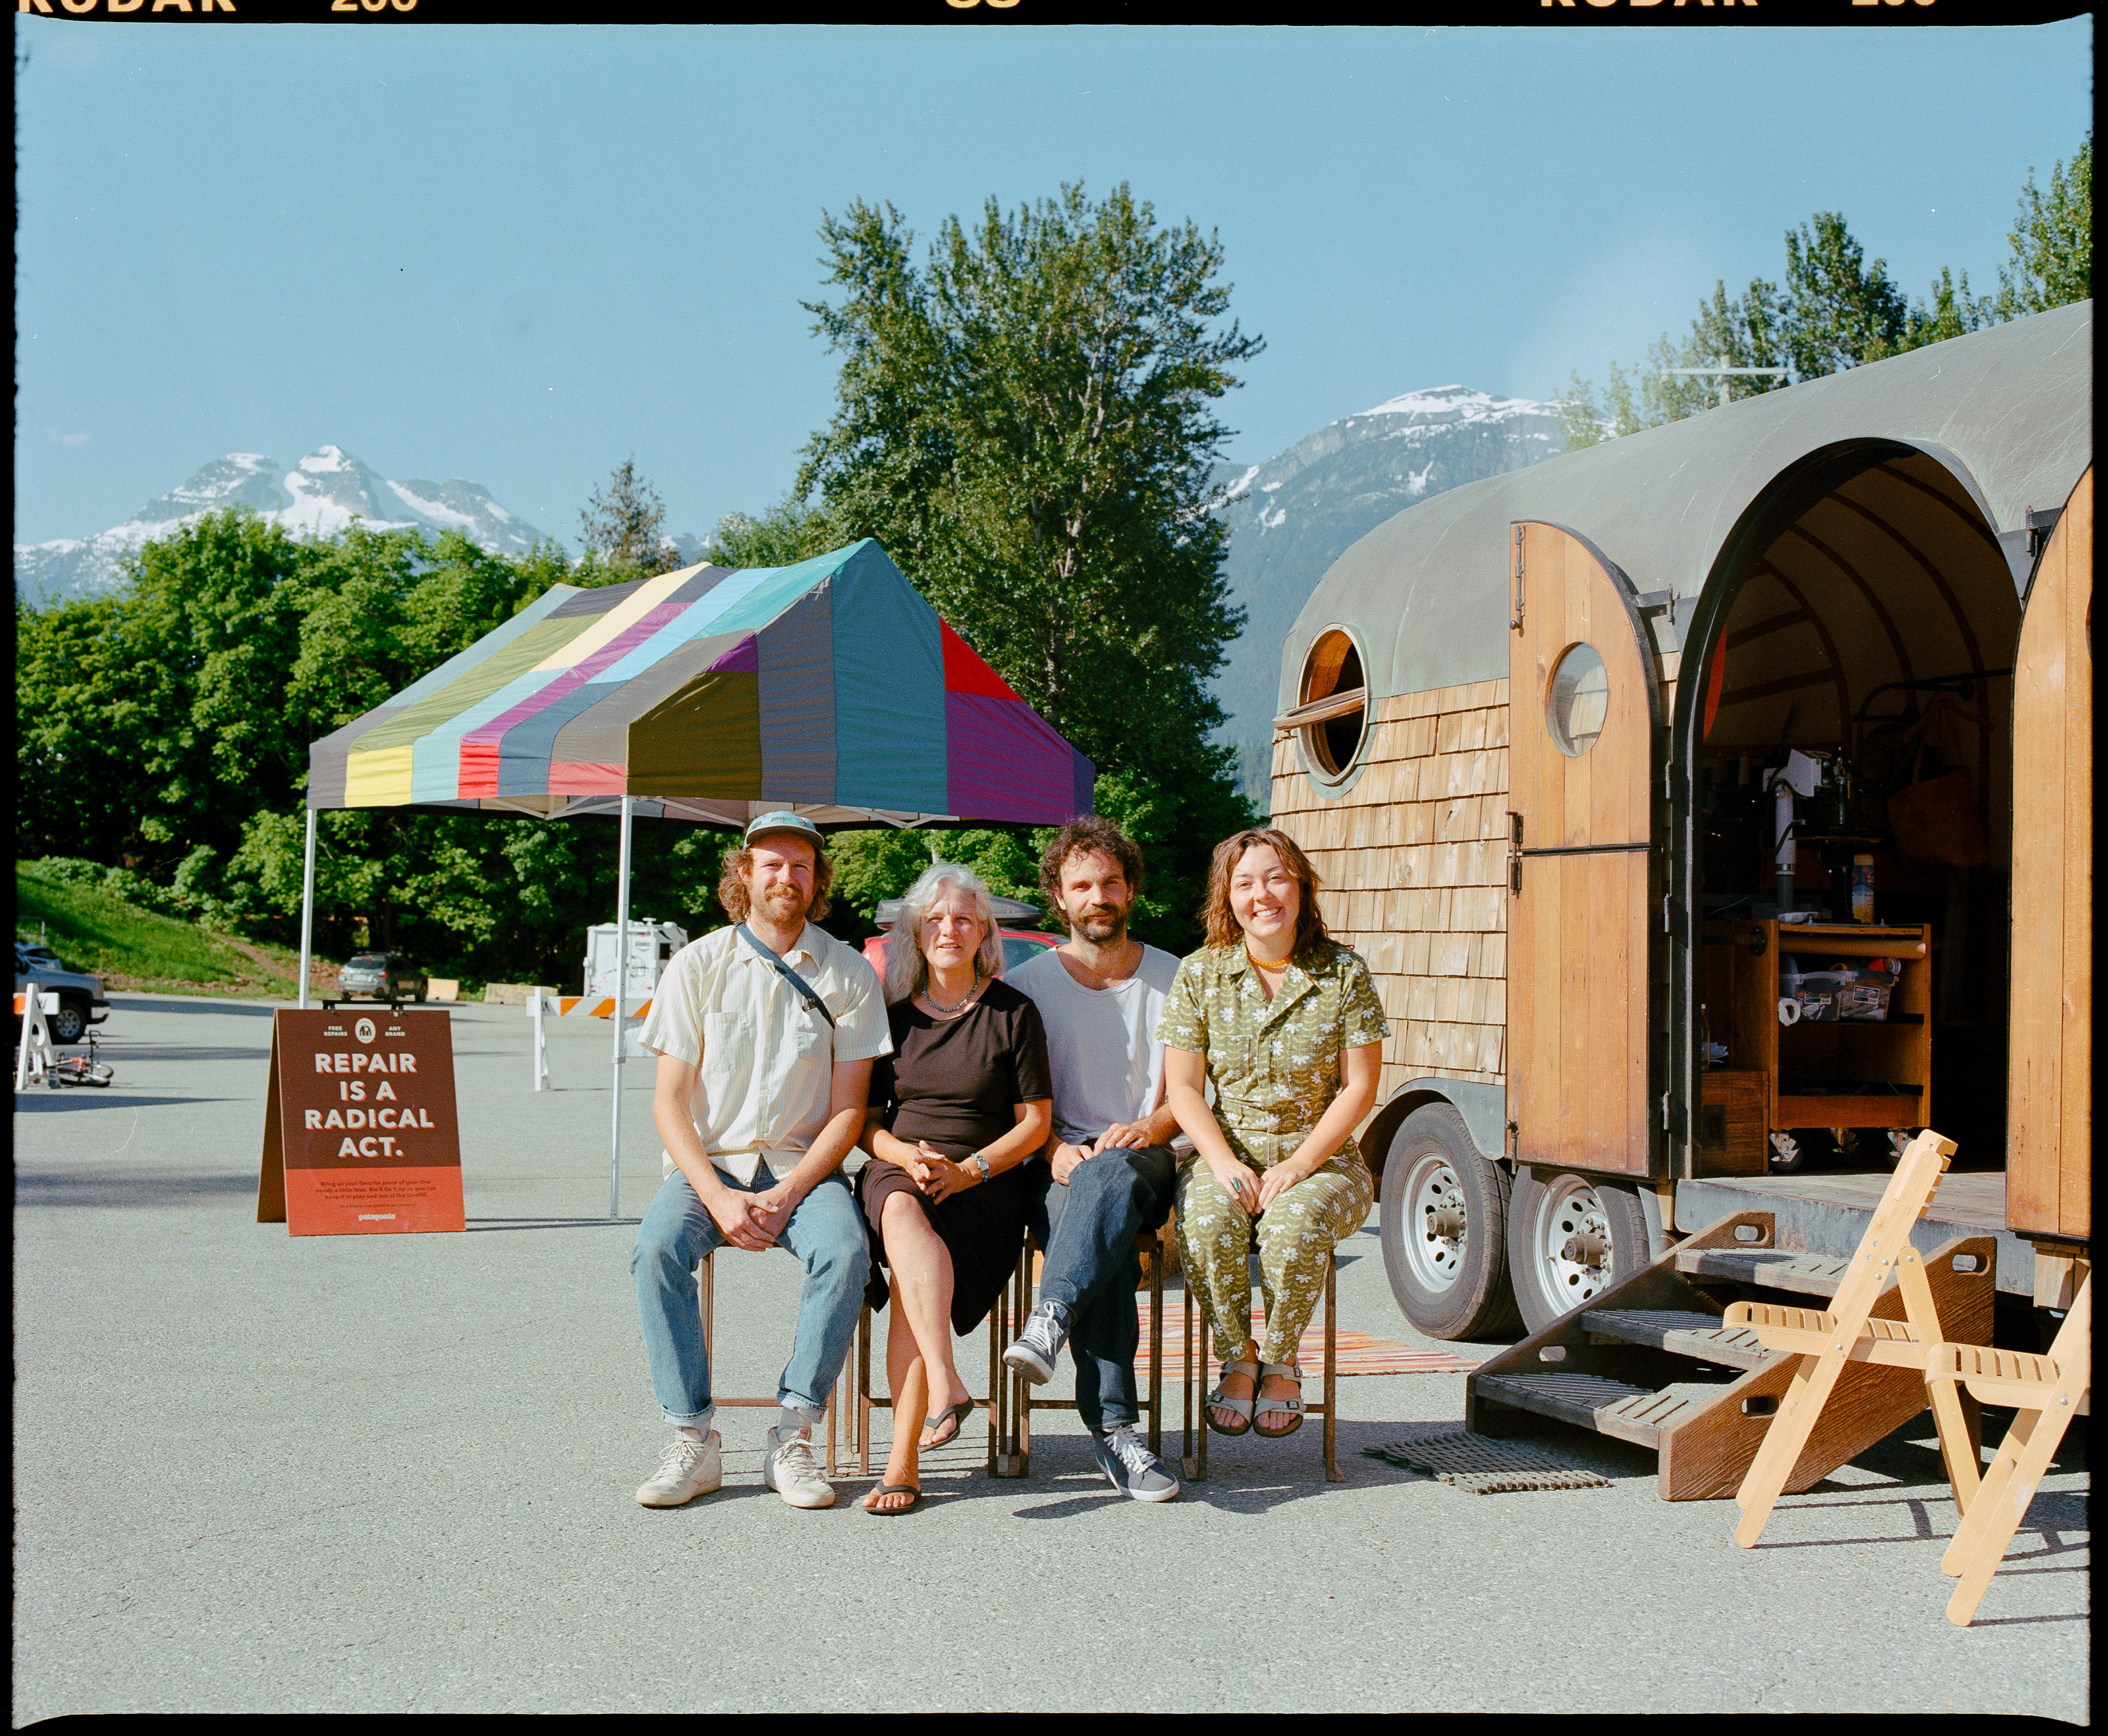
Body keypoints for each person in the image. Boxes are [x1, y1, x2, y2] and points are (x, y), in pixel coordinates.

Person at [628, 812, 890, 1512]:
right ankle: (693, 1437)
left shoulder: (848, 972)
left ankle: (795, 1433)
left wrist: (792, 1189)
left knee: (846, 1250)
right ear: (743, 873)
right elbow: (669, 1101)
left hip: (805, 1167)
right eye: (771, 864)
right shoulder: (698, 964)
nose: (786, 877)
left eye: (801, 866)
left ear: (817, 880)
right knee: (654, 1249)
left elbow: (848, 1112)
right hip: (709, 1164)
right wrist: (716, 1196)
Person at [1157, 826, 1389, 1440]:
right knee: (1205, 1217)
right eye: (1245, 882)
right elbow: (1183, 1089)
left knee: (1293, 1225)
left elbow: (1359, 1087)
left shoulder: (1343, 973)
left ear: (1302, 886)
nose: (1263, 894)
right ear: (1226, 897)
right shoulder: (1199, 974)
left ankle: (1281, 1362)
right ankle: (1238, 1358)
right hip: (1226, 1152)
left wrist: (1298, 1167)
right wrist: (1224, 1163)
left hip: (1325, 1161)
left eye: (1276, 877)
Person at [854, 863, 1053, 1514]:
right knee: (904, 1216)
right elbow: (866, 1126)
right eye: (935, 918)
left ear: (983, 932)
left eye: (963, 918)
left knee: (915, 1286)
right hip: (898, 1166)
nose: (949, 928)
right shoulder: (891, 1018)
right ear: (915, 930)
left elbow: (1036, 1124)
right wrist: (903, 1156)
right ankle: (945, 1383)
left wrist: (971, 1171)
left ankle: (906, 1458)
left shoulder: (1014, 1013)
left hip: (985, 1181)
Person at [1001, 818, 1184, 1503]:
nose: (1097, 895)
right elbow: (1017, 1104)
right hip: (1059, 1164)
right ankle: (1117, 1434)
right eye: (1082, 884)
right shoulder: (1029, 988)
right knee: (1093, 1218)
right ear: (1058, 897)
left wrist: (1147, 1126)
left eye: (1110, 881)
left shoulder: (1176, 978)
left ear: (1131, 889)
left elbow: (1196, 1098)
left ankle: (1050, 1318)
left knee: (1108, 1181)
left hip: (1152, 1157)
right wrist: (1052, 1148)